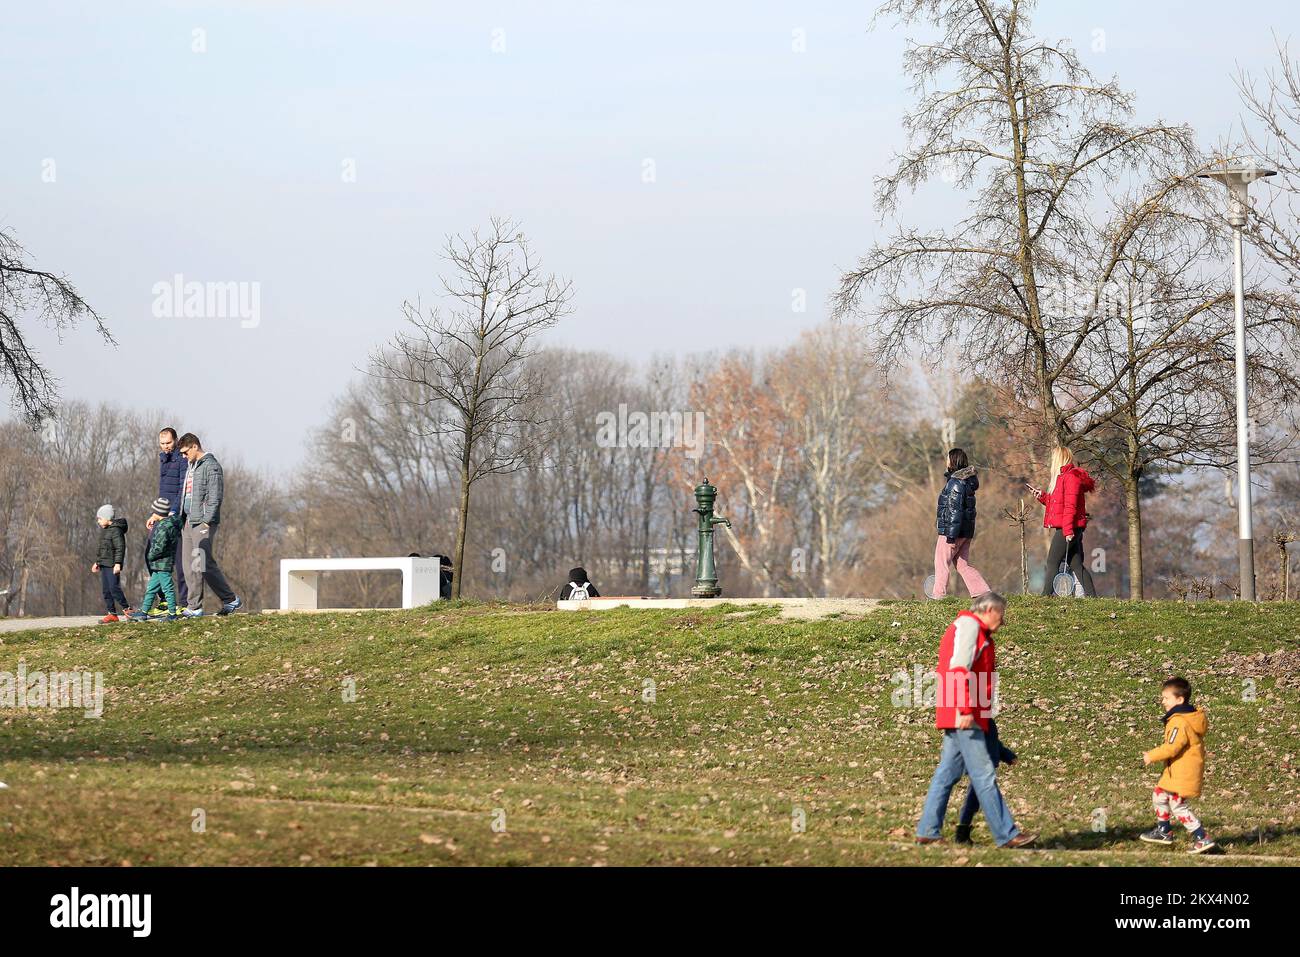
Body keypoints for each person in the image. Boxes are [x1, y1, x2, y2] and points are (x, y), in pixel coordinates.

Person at [915, 591, 1035, 848]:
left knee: (946, 774)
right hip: (964, 714)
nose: (1003, 623)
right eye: (1001, 616)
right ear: (989, 610)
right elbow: (958, 669)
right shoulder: (970, 626)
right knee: (983, 776)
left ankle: (928, 830)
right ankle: (1007, 835)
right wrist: (966, 710)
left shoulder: (977, 631)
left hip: (964, 713)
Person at [1140, 677, 1215, 854]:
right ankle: (1164, 831)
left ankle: (1201, 837)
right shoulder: (1185, 718)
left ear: (1179, 700)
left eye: (1166, 698)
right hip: (1176, 771)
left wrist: (1152, 755)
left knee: (1178, 806)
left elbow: (1172, 747)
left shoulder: (1179, 721)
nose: (1163, 701)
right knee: (1159, 794)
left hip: (1183, 772)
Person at [177, 433, 242, 617]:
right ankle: (202, 605)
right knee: (189, 565)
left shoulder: (211, 466)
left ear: (194, 447)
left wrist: (206, 521)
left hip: (202, 522)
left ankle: (223, 601)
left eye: (185, 452)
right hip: (188, 521)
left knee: (202, 563)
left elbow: (215, 497)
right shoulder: (191, 466)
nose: (183, 456)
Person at [1028, 445, 1097, 597]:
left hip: (1069, 528)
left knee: (1052, 562)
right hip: (1071, 527)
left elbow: (1070, 507)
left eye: (1053, 458)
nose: (1052, 461)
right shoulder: (1063, 478)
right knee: (1077, 565)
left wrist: (1068, 531)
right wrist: (1041, 496)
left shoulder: (1071, 478)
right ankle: (1093, 597)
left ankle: (1045, 595)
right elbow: (1057, 504)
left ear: (1059, 459)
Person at [931, 448, 990, 599]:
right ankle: (982, 591)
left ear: (953, 461)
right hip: (965, 532)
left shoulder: (955, 483)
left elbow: (954, 511)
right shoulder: (966, 482)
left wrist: (950, 536)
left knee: (941, 562)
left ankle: (938, 595)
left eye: (948, 458)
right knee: (962, 564)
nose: (946, 461)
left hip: (952, 532)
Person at [954, 717, 1017, 844]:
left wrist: (1007, 755)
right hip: (981, 766)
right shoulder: (979, 721)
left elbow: (994, 743)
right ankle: (1006, 834)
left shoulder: (987, 721)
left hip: (986, 765)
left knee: (973, 800)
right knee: (978, 797)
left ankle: (962, 832)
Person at [129, 498, 182, 622]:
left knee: (167, 588)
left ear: (158, 512)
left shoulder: (164, 527)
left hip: (163, 564)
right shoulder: (170, 523)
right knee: (151, 588)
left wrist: (150, 555)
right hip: (159, 565)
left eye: (154, 512)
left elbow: (159, 547)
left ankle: (173, 614)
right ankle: (143, 612)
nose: (152, 514)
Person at [156, 427, 189, 611]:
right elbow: (163, 492)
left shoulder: (181, 459)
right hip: (162, 515)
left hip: (175, 518)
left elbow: (181, 488)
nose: (165, 446)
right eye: (162, 443)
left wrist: (174, 511)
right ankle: (165, 599)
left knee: (180, 561)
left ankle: (185, 603)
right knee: (153, 556)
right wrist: (157, 513)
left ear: (175, 441)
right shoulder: (163, 459)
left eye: (168, 443)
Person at [91, 504, 133, 623]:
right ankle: (112, 614)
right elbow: (103, 549)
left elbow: (120, 547)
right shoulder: (105, 531)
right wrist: (97, 562)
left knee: (114, 588)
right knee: (106, 590)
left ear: (107, 518)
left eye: (100, 519)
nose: (98, 521)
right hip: (104, 564)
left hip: (112, 565)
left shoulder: (116, 530)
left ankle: (127, 609)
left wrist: (118, 563)